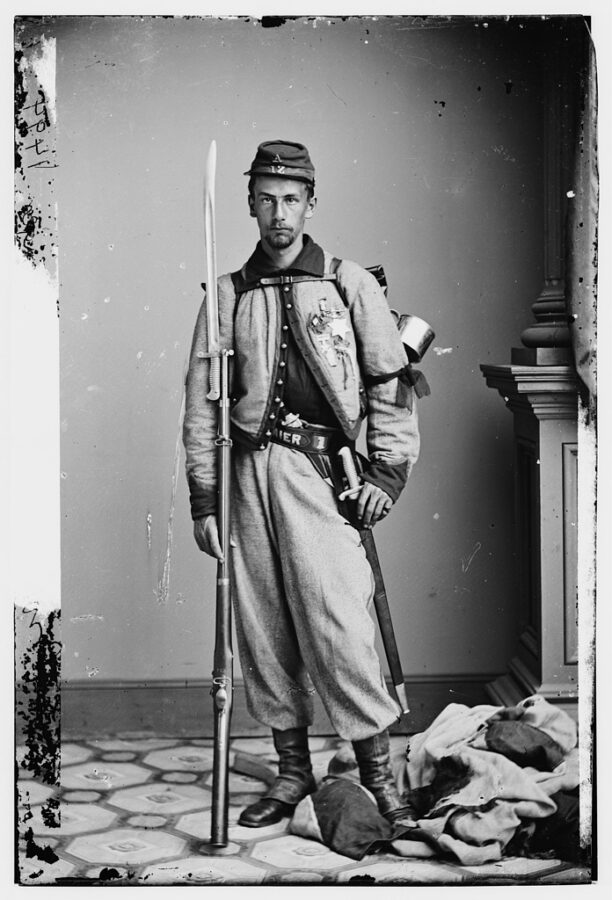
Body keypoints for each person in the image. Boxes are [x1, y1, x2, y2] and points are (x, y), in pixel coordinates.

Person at [183, 140, 420, 828]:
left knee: (341, 625)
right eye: (266, 198)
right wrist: (206, 500)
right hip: (248, 481)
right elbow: (203, 404)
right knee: (264, 630)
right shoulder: (226, 293)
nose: (278, 213)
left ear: (310, 202)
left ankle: (380, 778)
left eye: (291, 199)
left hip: (323, 478)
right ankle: (292, 774)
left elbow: (390, 383)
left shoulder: (350, 284)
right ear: (250, 203)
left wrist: (387, 472)